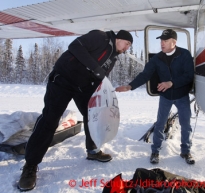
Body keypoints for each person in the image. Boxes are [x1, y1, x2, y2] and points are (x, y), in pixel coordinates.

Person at [18, 29, 133, 191]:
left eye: (129, 46)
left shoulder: (113, 57)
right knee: (50, 120)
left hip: (83, 86)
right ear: (119, 38)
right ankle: (30, 165)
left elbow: (99, 76)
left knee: (93, 114)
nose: (127, 48)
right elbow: (75, 46)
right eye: (127, 43)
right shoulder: (100, 37)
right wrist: (95, 69)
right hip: (63, 80)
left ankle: (93, 150)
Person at [116, 29, 194, 165]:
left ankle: (186, 151)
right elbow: (145, 74)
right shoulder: (157, 59)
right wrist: (130, 86)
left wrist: (171, 83)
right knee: (159, 124)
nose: (162, 43)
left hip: (182, 96)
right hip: (165, 97)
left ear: (174, 42)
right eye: (161, 41)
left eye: (165, 41)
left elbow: (188, 76)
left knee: (186, 125)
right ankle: (155, 151)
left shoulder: (185, 55)